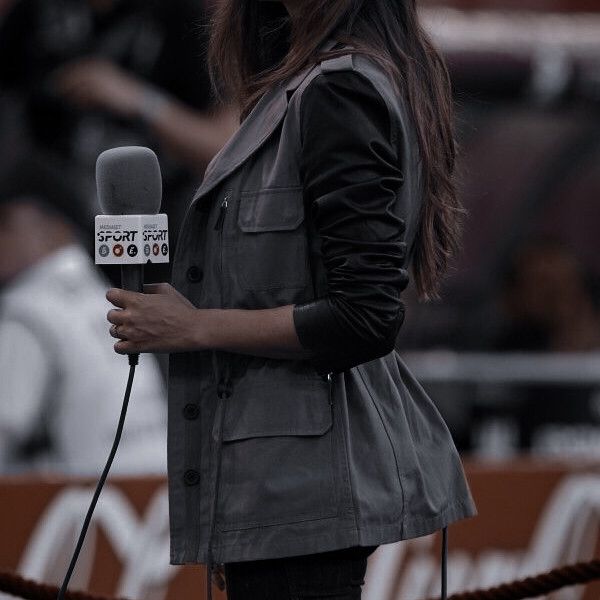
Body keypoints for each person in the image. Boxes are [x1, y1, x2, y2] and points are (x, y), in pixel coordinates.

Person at [105, 0, 477, 598]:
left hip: (305, 488)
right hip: (275, 488)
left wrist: (194, 327)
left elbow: (366, 317)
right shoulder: (313, 86)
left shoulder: (340, 91)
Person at [0, 155, 167, 475]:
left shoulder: (26, 309)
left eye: (6, 223)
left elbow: (4, 432)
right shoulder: (109, 297)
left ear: (57, 229)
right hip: (158, 500)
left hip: (84, 510)